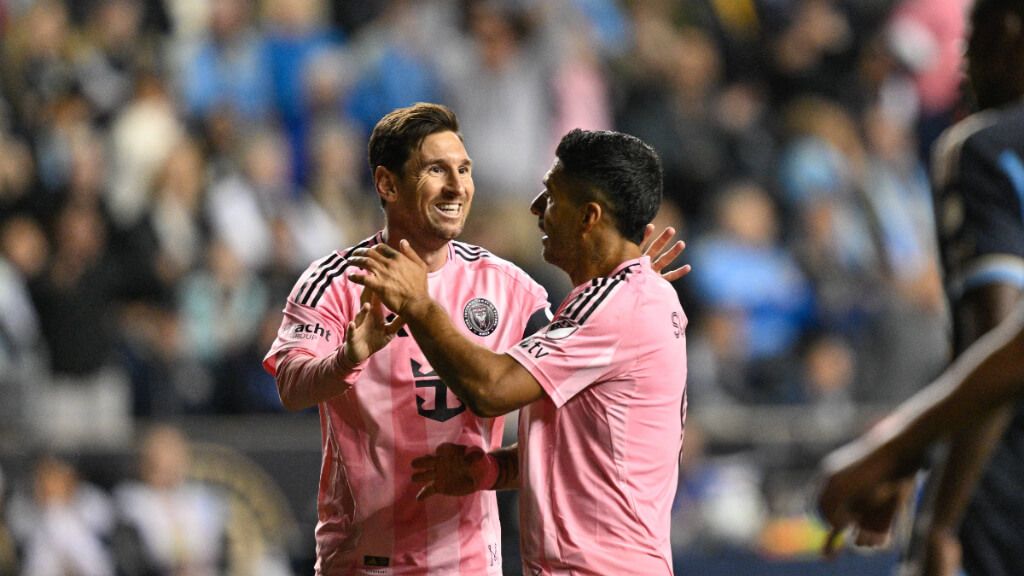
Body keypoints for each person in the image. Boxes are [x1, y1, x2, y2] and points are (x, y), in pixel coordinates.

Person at [262, 104, 686, 574]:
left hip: (469, 563)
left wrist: (621, 288)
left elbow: (505, 388)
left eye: (463, 169)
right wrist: (347, 358)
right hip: (363, 560)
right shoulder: (337, 280)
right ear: (387, 184)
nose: (457, 185)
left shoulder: (511, 288)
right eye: (436, 170)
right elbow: (291, 386)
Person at [817, 2, 1024, 574]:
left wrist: (937, 510)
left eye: (977, 29)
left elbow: (1001, 343)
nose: (961, 56)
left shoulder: (987, 146)